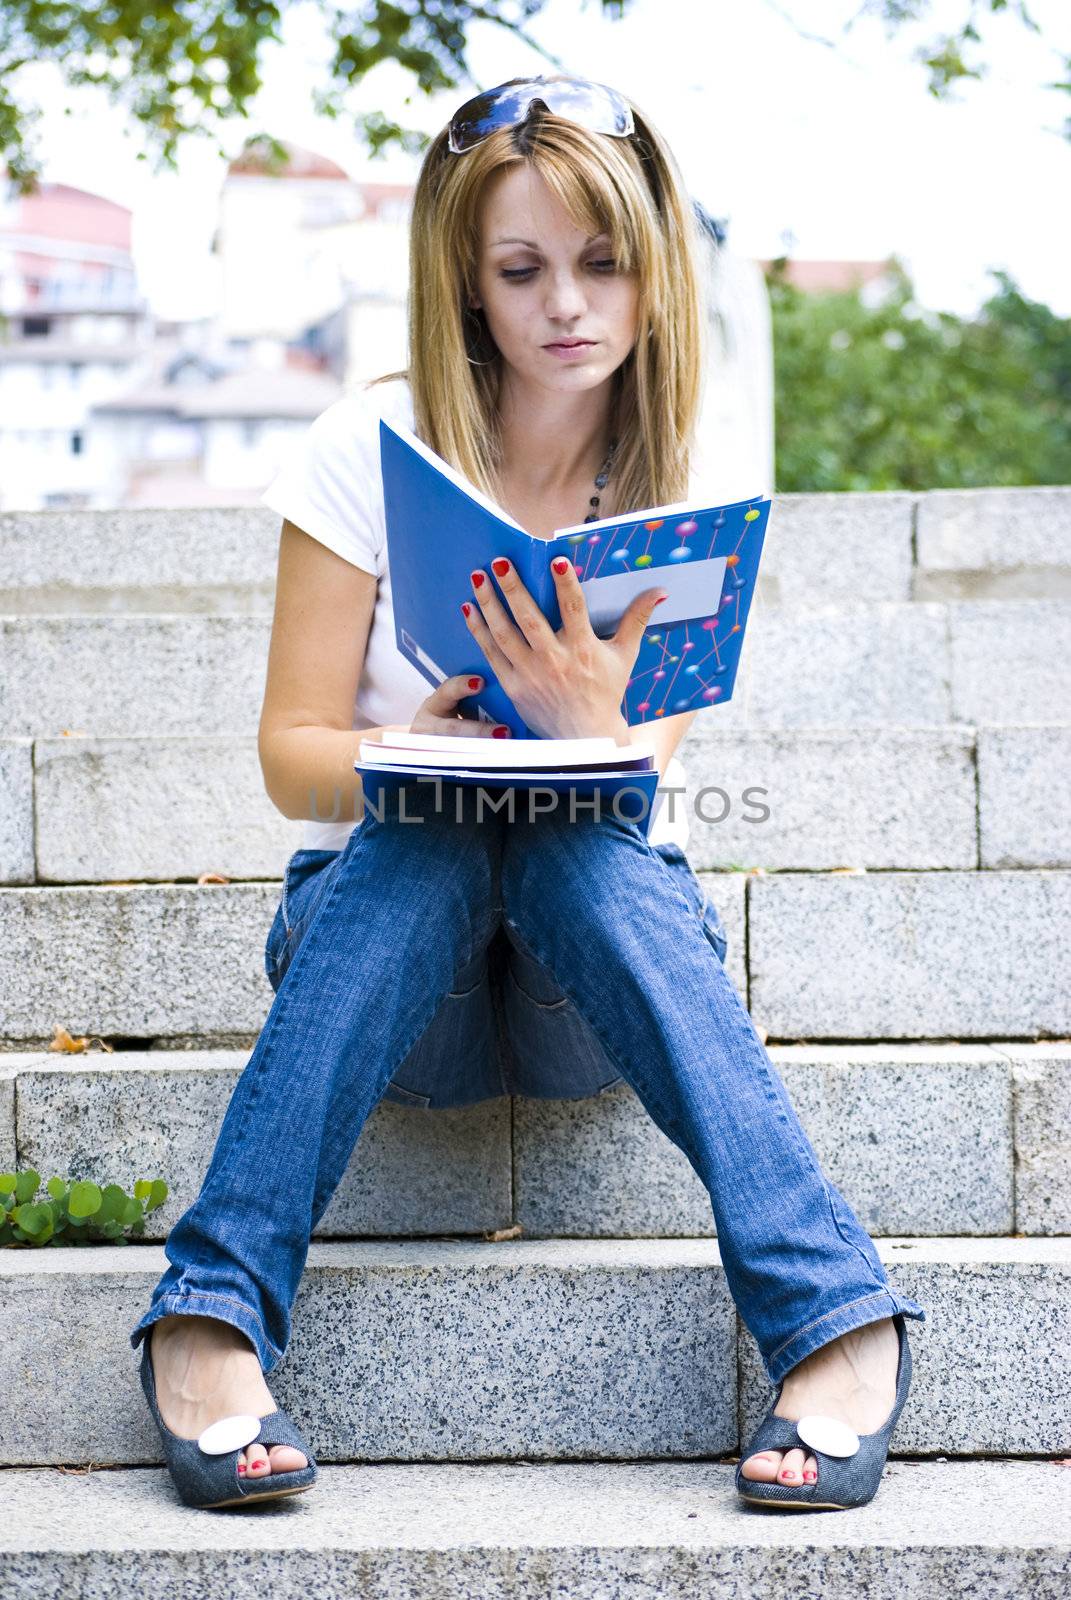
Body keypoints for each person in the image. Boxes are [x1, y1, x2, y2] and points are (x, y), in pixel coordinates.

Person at [129, 73, 927, 1512]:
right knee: (431, 834)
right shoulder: (364, 449)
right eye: (522, 268)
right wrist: (414, 751)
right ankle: (213, 1309)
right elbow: (288, 750)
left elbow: (649, 772)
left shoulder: (684, 466)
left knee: (572, 842)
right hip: (389, 969)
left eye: (603, 261)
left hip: (589, 979)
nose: (568, 303)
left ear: (652, 269)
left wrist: (578, 727)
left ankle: (830, 1314)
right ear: (467, 286)